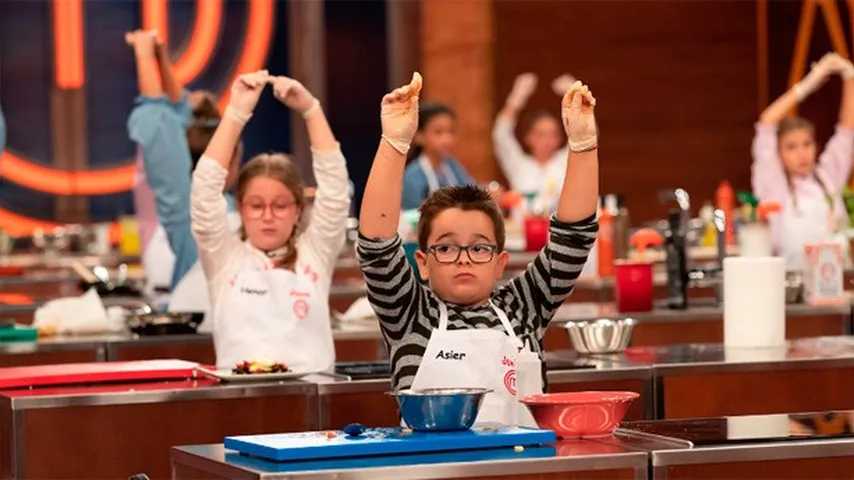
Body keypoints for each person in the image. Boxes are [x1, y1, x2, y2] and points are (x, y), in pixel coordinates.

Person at [358, 73, 599, 425]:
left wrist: (583, 146)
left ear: (500, 263)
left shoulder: (524, 307)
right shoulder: (408, 312)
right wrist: (394, 142)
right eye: (446, 248)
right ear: (422, 263)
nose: (463, 259)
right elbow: (376, 247)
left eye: (479, 249)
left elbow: (573, 238)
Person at [191, 70, 349, 371]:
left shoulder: (315, 254)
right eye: (255, 205)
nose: (267, 217)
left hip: (312, 401)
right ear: (239, 207)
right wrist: (236, 114)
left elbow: (335, 187)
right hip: (241, 401)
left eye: (279, 205)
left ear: (298, 210)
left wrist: (311, 110)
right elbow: (204, 189)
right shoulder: (223, 258)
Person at [126, 29, 240, 316]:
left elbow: (166, 114)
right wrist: (145, 54)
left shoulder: (215, 206)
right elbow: (161, 118)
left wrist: (154, 56)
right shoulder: (193, 210)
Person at [751, 52, 854, 270]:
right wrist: (810, 82)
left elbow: (847, 129)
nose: (802, 154)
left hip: (836, 284)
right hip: (792, 290)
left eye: (807, 144)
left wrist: (849, 74)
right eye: (791, 147)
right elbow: (767, 121)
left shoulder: (828, 177)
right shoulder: (773, 183)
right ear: (778, 153)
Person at [493, 73, 575, 211]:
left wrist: (574, 97)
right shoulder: (518, 164)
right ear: (528, 137)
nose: (547, 141)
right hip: (522, 230)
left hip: (560, 231)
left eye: (553, 135)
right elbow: (501, 134)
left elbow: (588, 137)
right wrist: (516, 98)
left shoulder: (566, 161)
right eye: (540, 134)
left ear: (560, 139)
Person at [401, 102, 475, 210]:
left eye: (451, 131)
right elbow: (411, 215)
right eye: (438, 132)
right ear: (419, 136)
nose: (447, 139)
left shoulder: (452, 165)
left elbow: (471, 193)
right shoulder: (412, 176)